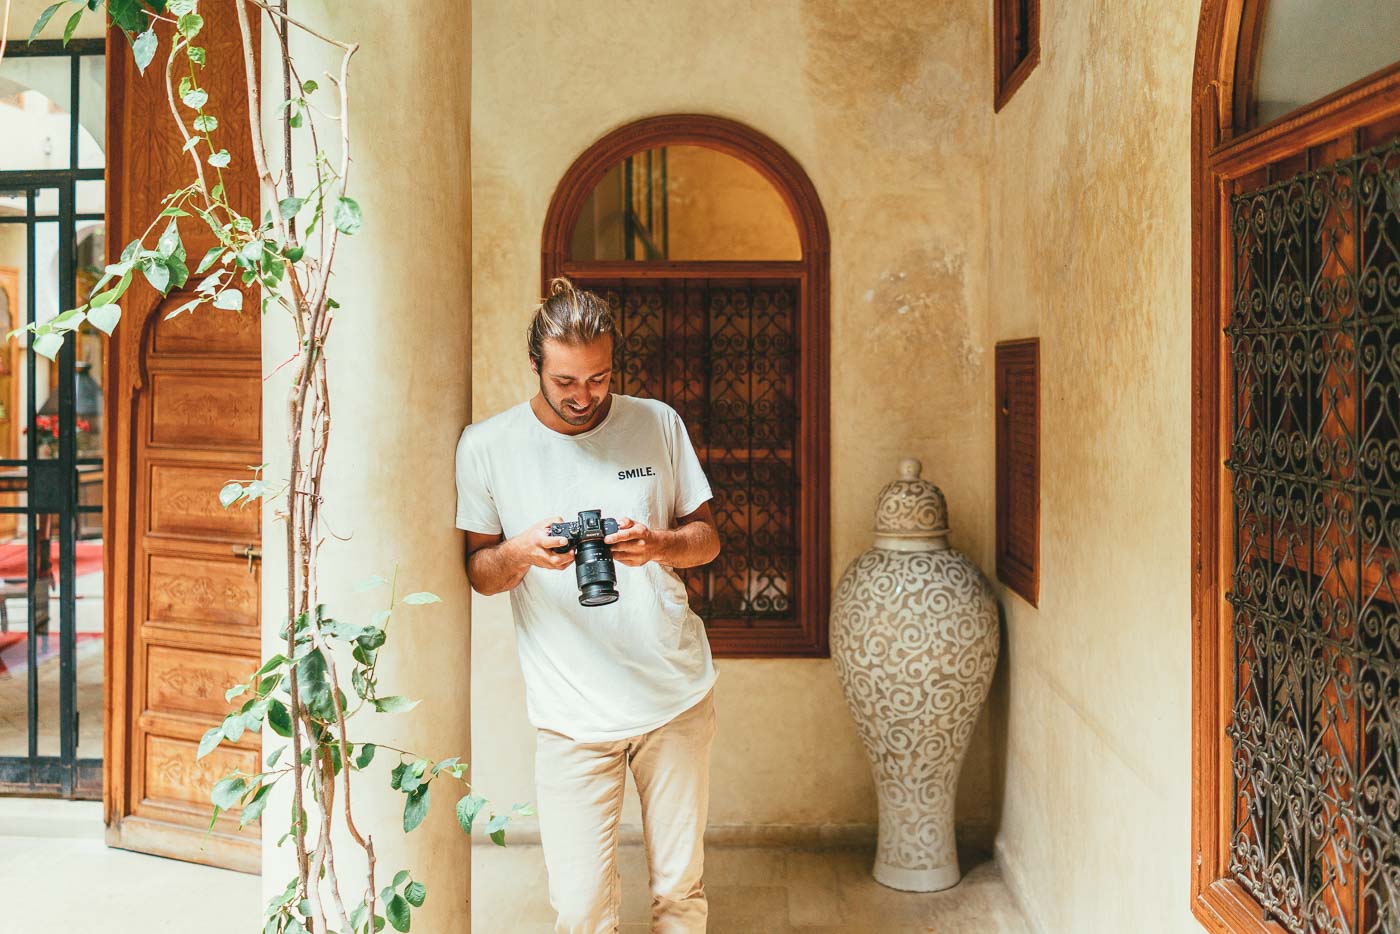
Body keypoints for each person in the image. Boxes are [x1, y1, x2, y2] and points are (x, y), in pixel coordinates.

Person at [455, 278, 721, 933]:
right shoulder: (487, 447)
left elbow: (708, 539)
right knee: (580, 910)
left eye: (599, 379)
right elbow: (481, 573)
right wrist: (521, 552)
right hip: (570, 714)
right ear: (536, 364)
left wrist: (658, 544)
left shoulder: (657, 422)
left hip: (676, 697)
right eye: (567, 381)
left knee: (680, 895)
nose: (583, 397)